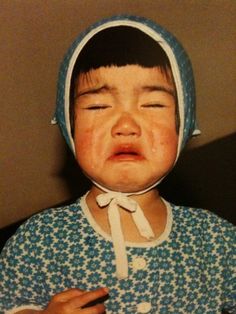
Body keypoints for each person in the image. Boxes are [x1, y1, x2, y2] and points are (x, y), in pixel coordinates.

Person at [0, 15, 235, 314]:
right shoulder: (39, 240)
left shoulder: (216, 241)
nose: (125, 125)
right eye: (98, 106)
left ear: (184, 123)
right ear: (68, 125)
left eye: (153, 105)